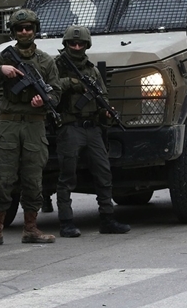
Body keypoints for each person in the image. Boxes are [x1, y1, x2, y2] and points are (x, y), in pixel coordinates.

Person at [0, 8, 60, 246]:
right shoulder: (5, 57)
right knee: (3, 178)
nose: (25, 32)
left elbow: (56, 93)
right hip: (9, 123)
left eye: (29, 28)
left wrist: (44, 101)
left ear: (35, 30)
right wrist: (0, 71)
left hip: (34, 124)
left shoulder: (46, 61)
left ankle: (30, 228)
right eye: (20, 29)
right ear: (14, 32)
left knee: (33, 178)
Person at [54, 25, 131, 237]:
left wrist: (106, 111)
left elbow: (102, 96)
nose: (76, 47)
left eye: (80, 44)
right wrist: (72, 83)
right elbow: (50, 87)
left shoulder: (92, 70)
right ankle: (66, 222)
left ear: (86, 45)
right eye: (72, 43)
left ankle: (107, 218)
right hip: (70, 127)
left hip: (92, 128)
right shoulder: (57, 66)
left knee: (104, 173)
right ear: (66, 44)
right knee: (67, 176)